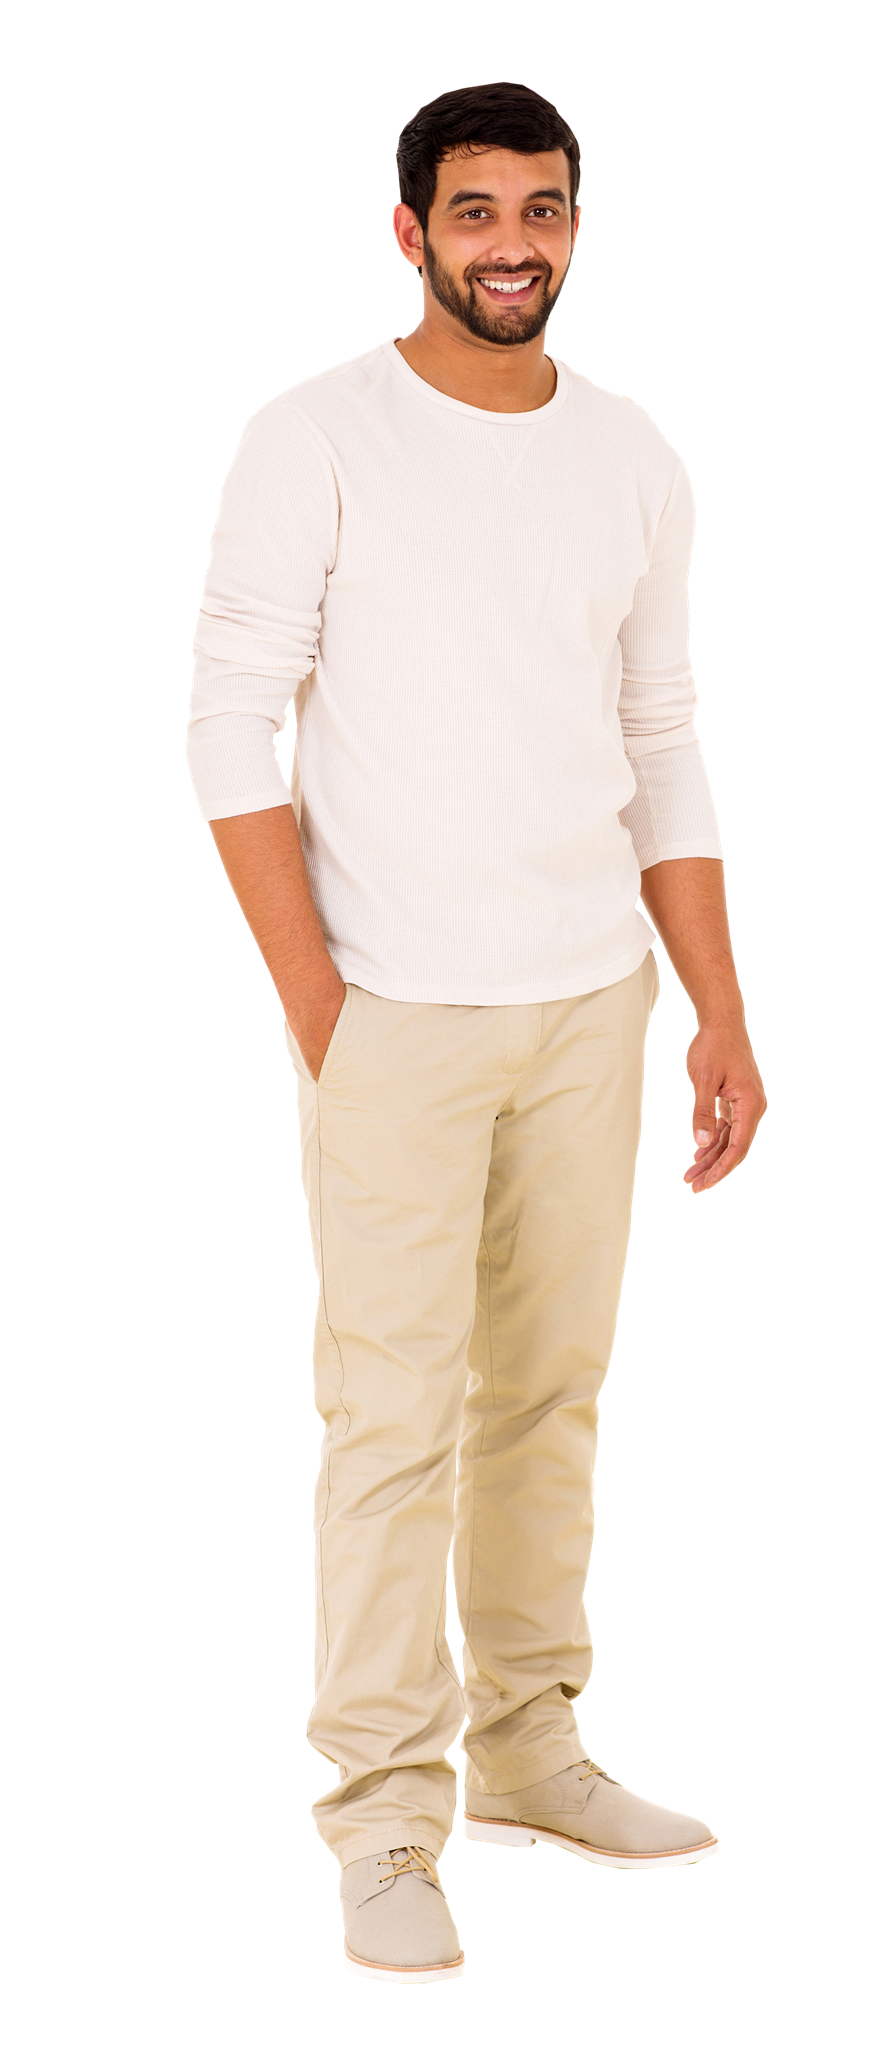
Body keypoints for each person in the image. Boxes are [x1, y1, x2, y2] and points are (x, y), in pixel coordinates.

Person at [186, 81, 767, 1985]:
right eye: (475, 209)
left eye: (544, 208)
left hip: (591, 1002)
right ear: (410, 233)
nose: (512, 241)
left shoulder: (631, 454)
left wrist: (714, 1005)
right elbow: (225, 727)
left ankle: (527, 1749)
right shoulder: (315, 438)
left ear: (576, 226)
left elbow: (661, 730)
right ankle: (382, 1815)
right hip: (395, 1016)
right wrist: (320, 1003)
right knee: (388, 1420)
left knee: (546, 1400)